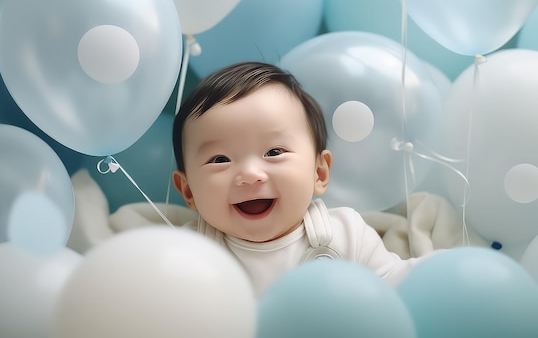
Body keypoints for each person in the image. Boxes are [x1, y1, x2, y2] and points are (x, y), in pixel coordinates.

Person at [171, 61, 426, 297]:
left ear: (319, 173)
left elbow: (394, 286)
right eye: (220, 159)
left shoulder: (346, 234)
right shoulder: (188, 253)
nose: (249, 175)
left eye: (274, 152)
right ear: (189, 191)